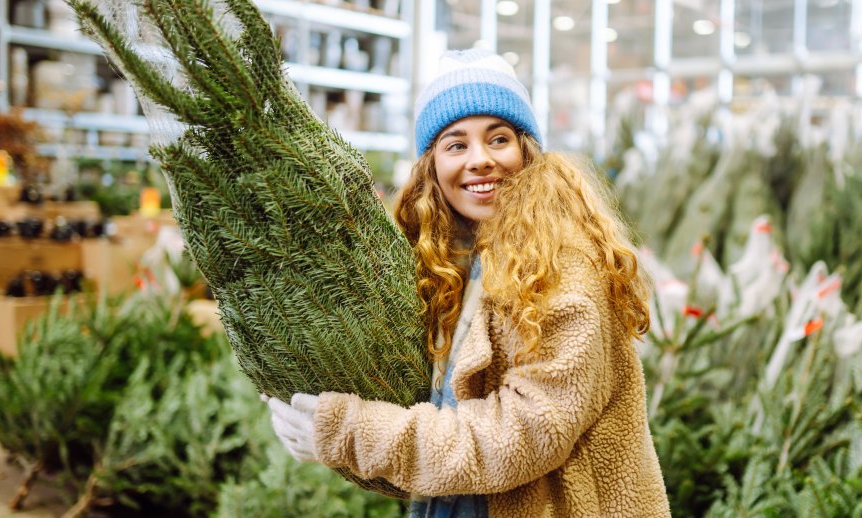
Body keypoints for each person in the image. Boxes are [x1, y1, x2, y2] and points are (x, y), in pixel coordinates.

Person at [265, 48, 670, 518]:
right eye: (456, 144)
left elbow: (527, 435)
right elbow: (431, 411)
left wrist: (354, 432)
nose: (480, 160)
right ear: (431, 166)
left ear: (526, 151)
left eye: (498, 139)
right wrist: (297, 375)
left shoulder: (563, 268)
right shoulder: (454, 262)